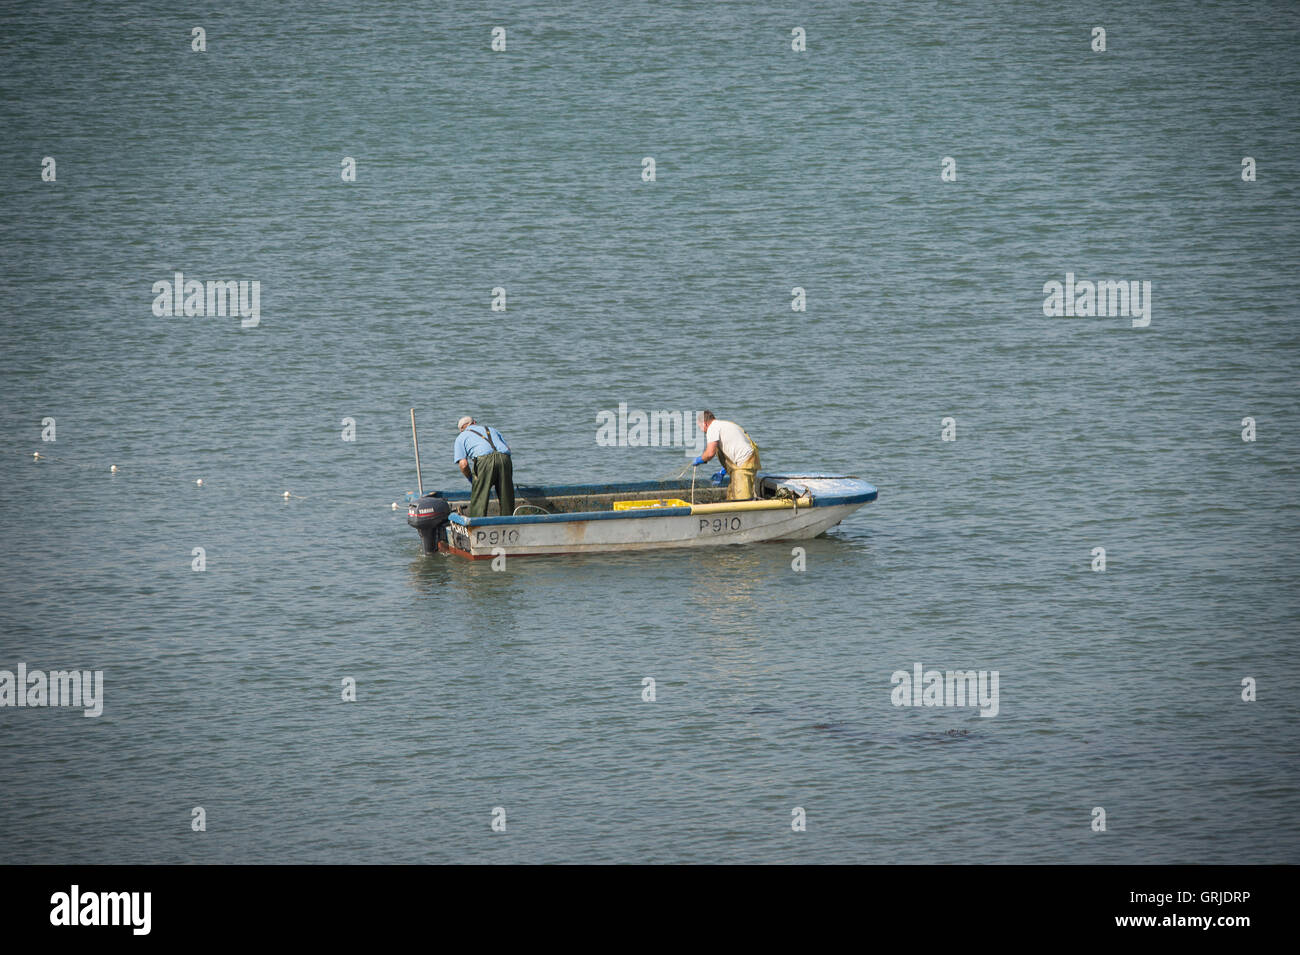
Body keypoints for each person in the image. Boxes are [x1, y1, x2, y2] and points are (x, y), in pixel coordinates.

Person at [453, 416, 515, 518]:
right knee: (506, 496)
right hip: (505, 458)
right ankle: (509, 522)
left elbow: (463, 465)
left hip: (484, 461)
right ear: (474, 422)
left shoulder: (461, 437)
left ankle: (477, 524)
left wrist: (472, 479)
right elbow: (508, 449)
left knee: (479, 497)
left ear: (461, 429)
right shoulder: (492, 430)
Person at [693, 410, 762, 501]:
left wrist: (701, 459)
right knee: (731, 494)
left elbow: (710, 453)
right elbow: (733, 448)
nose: (701, 430)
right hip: (746, 460)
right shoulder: (724, 425)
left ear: (705, 423)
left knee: (741, 498)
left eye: (700, 427)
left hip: (744, 463)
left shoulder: (712, 428)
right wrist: (723, 471)